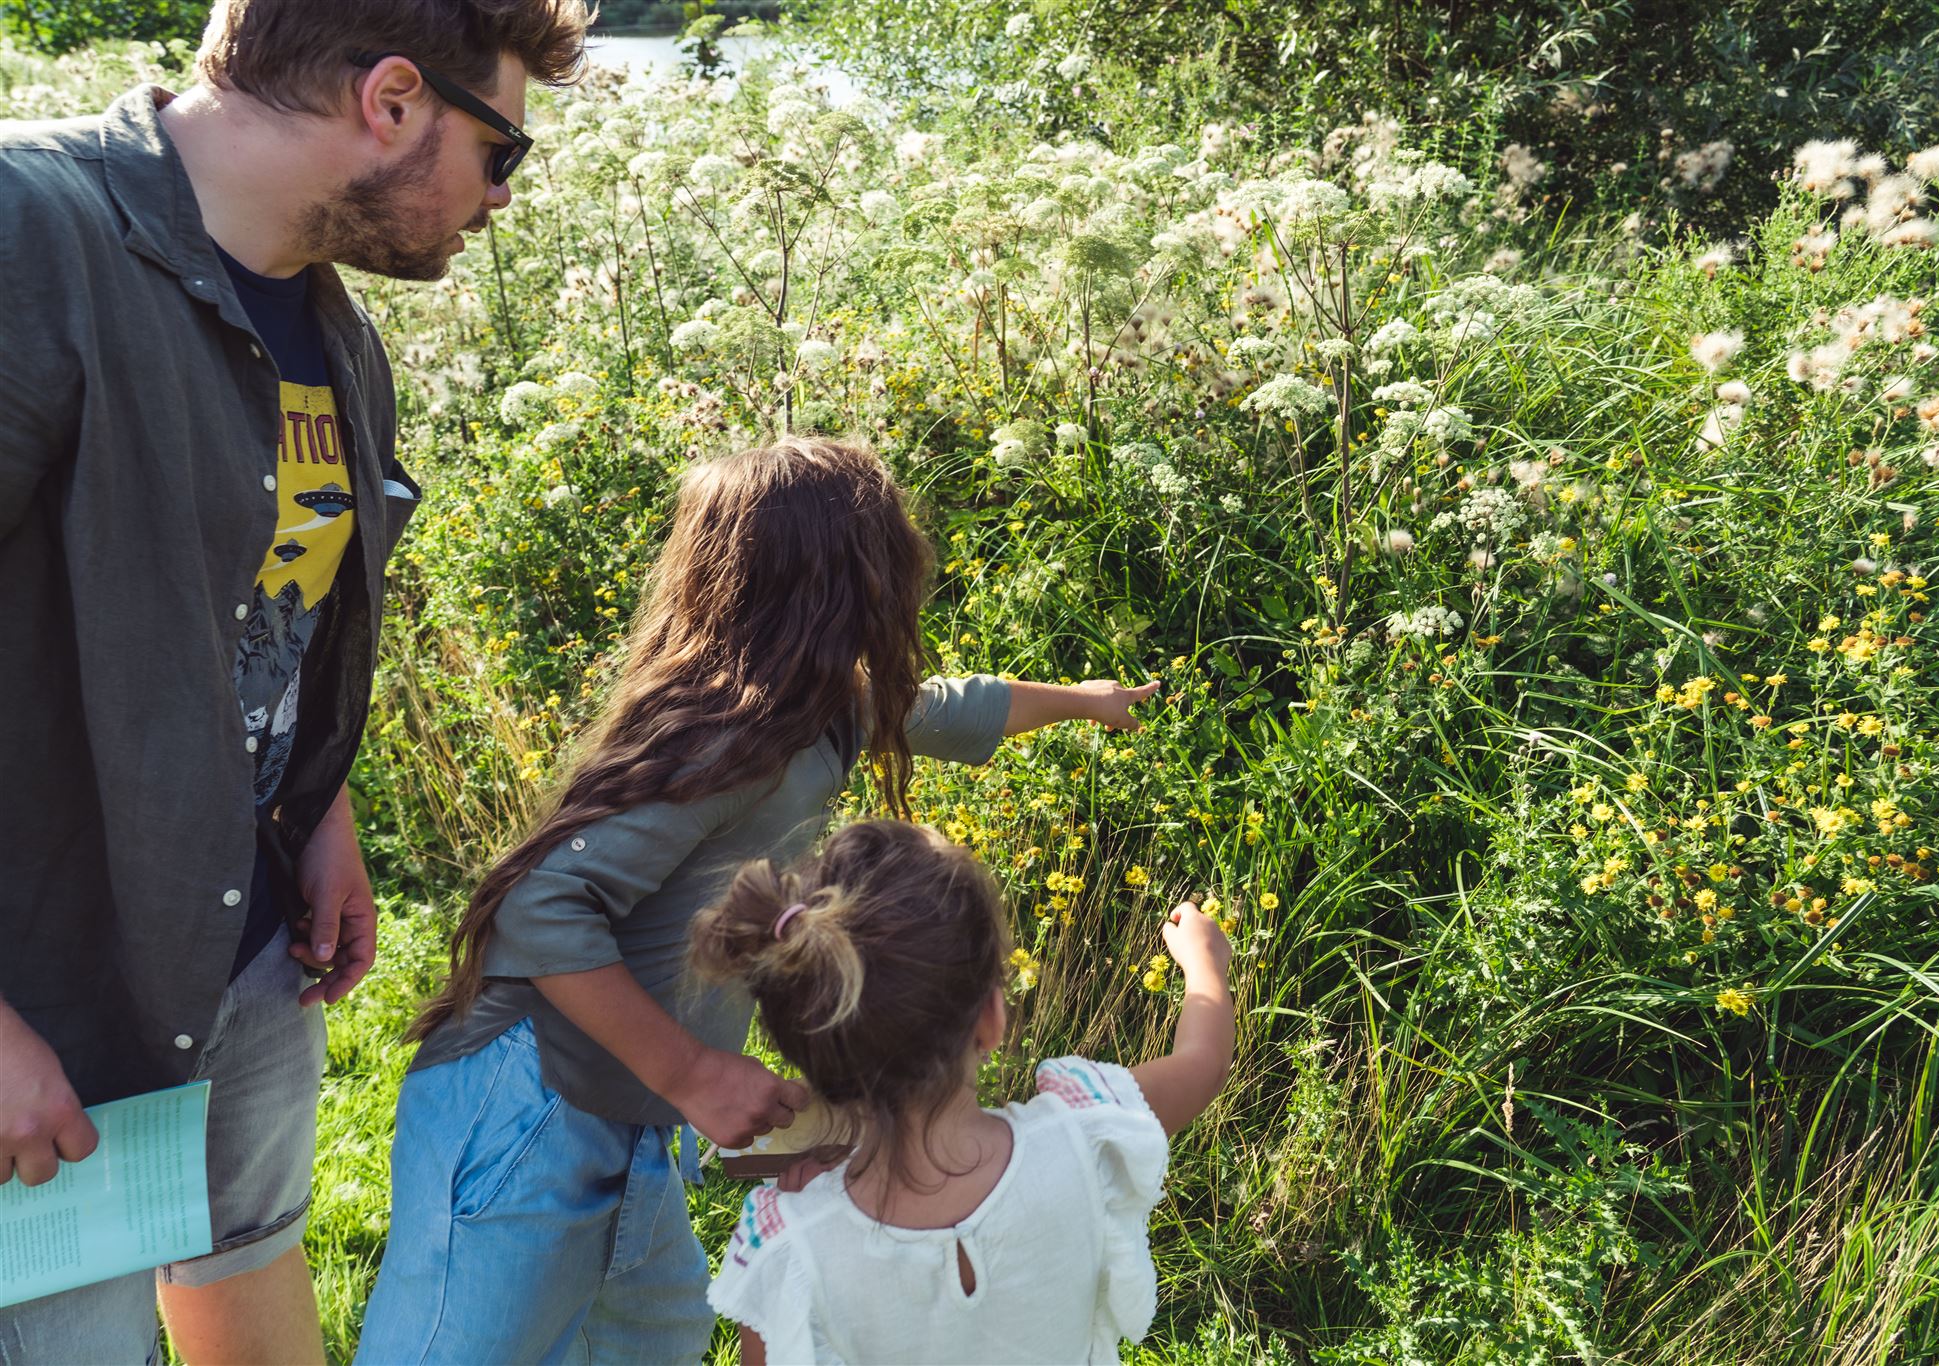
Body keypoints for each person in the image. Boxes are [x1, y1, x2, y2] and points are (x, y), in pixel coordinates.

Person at [0, 2, 590, 1360]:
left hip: (246, 941)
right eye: (502, 154)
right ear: (392, 100)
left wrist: (314, 807)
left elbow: (257, 610)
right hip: (52, 996)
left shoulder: (334, 333)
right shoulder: (33, 234)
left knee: (245, 1258)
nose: (499, 201)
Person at [354, 437, 1162, 1363]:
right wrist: (695, 1073)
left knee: (651, 1340)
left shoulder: (813, 708)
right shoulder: (726, 740)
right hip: (527, 1103)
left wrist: (1085, 700)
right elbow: (538, 908)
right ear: (842, 585)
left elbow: (945, 707)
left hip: (626, 1112)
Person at [694, 820, 1236, 1365]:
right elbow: (1204, 1065)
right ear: (991, 1020)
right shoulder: (1084, 1135)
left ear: (810, 1055)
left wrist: (811, 1214)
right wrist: (1205, 964)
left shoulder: (786, 1247)